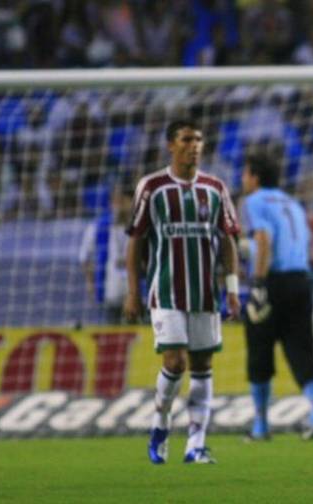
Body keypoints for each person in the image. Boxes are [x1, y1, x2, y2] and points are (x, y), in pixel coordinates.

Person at [123, 119, 241, 465]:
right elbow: (135, 241)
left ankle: (196, 444)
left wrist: (233, 289)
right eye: (187, 139)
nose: (195, 146)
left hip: (205, 293)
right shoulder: (152, 187)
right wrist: (133, 291)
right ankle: (160, 425)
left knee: (203, 364)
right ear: (171, 145)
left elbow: (228, 240)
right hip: (166, 292)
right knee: (175, 361)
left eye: (199, 140)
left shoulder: (215, 188)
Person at [239, 152, 313, 442]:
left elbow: (264, 240)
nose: (243, 179)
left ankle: (261, 426)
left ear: (254, 177)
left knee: (259, 351)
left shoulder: (254, 201)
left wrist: (258, 283)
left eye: (245, 173)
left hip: (273, 281)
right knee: (302, 349)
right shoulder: (293, 204)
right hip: (300, 281)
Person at [78, 185, 132, 323]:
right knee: (113, 328)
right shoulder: (99, 226)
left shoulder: (140, 225)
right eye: (115, 200)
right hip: (110, 291)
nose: (118, 205)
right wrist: (90, 282)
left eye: (122, 200)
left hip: (138, 293)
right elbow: (84, 256)